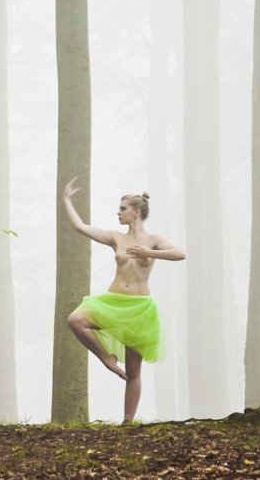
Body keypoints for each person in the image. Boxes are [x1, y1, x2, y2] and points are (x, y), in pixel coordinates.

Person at [61, 176, 185, 423]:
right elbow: (80, 227)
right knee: (76, 320)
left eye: (123, 209)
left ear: (136, 212)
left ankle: (128, 422)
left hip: (139, 308)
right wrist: (65, 199)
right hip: (113, 302)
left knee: (133, 371)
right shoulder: (116, 238)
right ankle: (107, 357)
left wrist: (149, 253)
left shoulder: (153, 240)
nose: (118, 213)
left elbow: (180, 253)